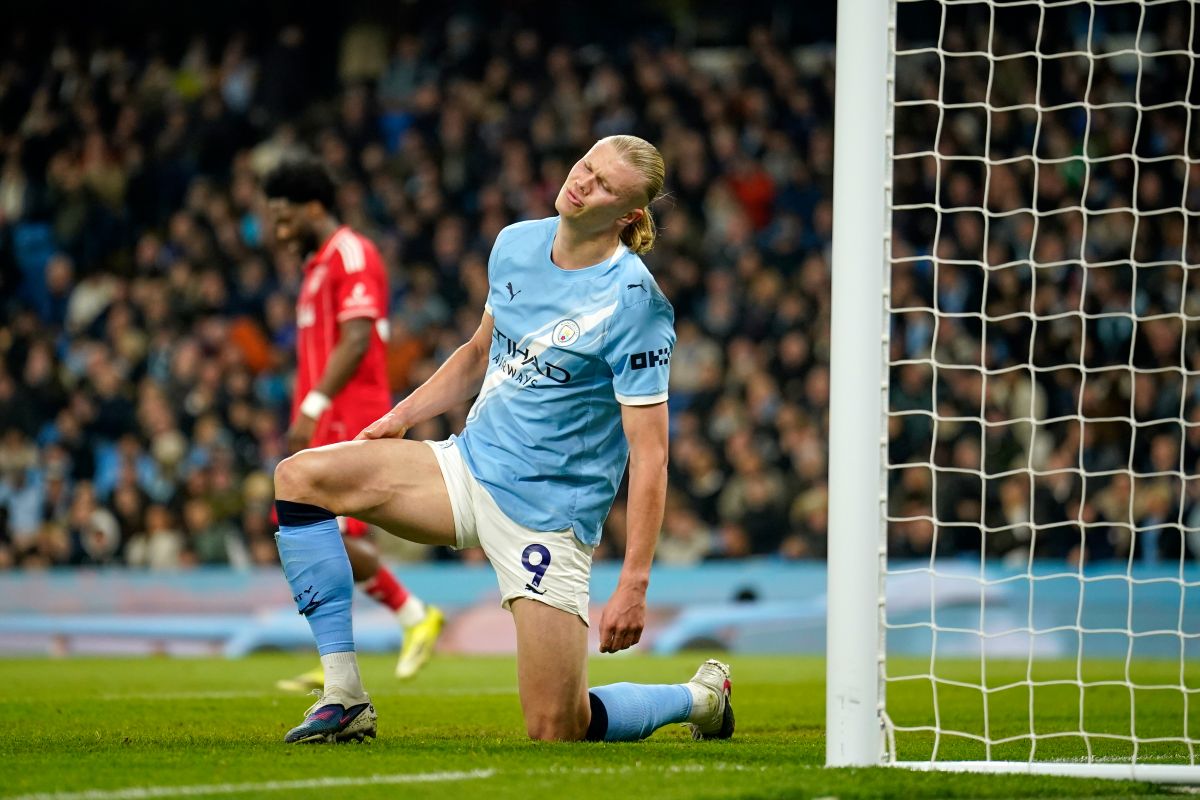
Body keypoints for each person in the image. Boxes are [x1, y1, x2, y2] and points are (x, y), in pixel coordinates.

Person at [271, 134, 733, 744]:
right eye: (585, 166)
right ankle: (344, 697)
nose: (582, 182)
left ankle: (700, 698)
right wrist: (401, 415)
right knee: (299, 477)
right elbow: (479, 351)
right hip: (467, 468)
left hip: (547, 516)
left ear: (629, 215)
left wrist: (635, 581)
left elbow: (651, 455)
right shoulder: (515, 243)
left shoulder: (636, 304)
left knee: (557, 727)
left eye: (603, 185)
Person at [263, 157, 444, 692]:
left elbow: (359, 336)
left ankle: (413, 615)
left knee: (326, 536)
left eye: (285, 219)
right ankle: (340, 651)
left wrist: (314, 406)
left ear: (314, 207)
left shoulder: (351, 253)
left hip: (348, 413)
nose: (278, 232)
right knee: (311, 533)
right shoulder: (316, 266)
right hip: (325, 414)